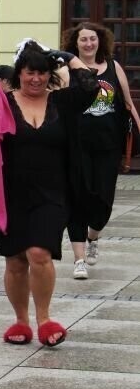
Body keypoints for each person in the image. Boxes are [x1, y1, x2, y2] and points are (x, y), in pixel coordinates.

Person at [0, 40, 98, 347]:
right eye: (29, 73)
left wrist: (70, 58)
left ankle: (44, 318)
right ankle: (20, 321)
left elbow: (93, 89)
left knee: (39, 253)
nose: (35, 79)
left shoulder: (61, 102)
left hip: (54, 193)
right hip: (10, 193)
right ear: (19, 73)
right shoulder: (3, 102)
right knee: (14, 260)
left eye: (41, 72)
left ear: (49, 74)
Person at [61, 23, 140, 280]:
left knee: (103, 202)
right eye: (83, 40)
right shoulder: (66, 71)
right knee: (77, 199)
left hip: (108, 146)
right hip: (76, 146)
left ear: (100, 41)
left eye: (92, 39)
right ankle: (79, 259)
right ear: (75, 43)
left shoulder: (113, 67)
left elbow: (127, 104)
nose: (88, 44)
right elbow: (59, 105)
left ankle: (93, 236)